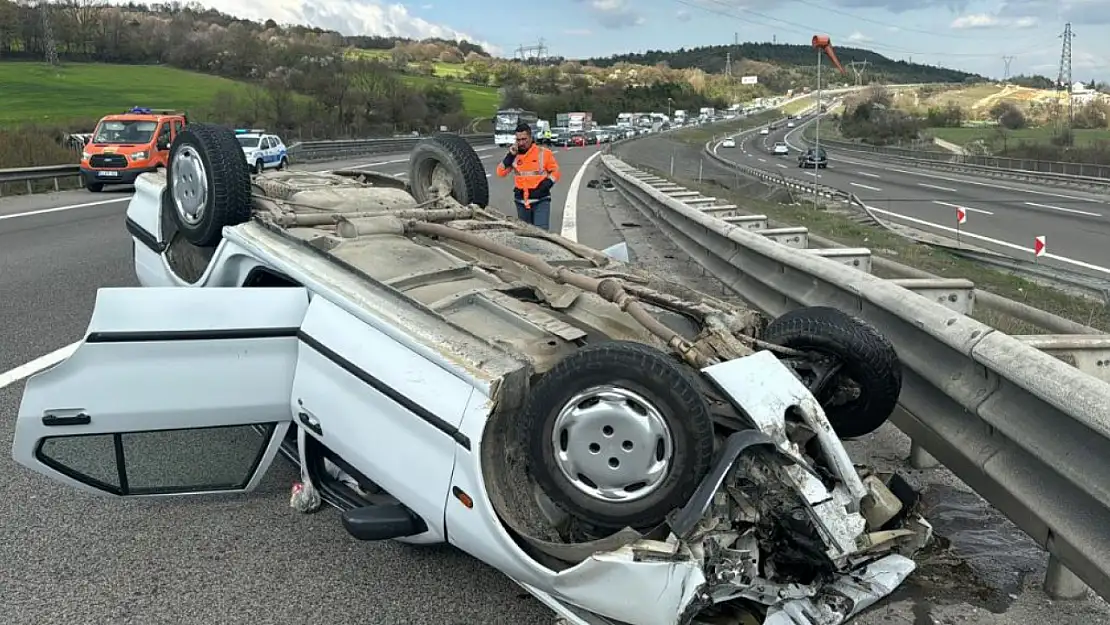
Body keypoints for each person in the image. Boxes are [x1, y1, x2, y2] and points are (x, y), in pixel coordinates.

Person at [495, 122, 561, 231]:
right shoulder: (514, 155)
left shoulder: (543, 153)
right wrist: (510, 156)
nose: (521, 143)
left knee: (541, 233)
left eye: (524, 139)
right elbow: (500, 172)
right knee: (526, 235)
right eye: (518, 140)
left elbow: (555, 171)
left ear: (530, 138)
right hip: (521, 202)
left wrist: (546, 184)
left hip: (541, 199)